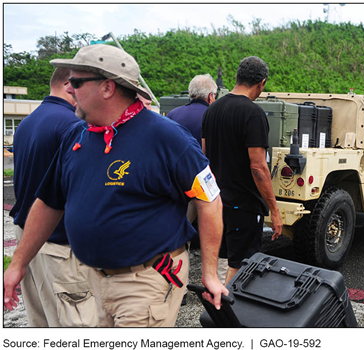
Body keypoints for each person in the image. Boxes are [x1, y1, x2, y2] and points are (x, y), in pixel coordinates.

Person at [3, 44, 228, 327]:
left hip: (146, 283)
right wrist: (18, 264)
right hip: (93, 282)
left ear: (107, 88)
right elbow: (50, 202)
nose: (69, 89)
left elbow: (210, 200)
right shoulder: (78, 136)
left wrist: (209, 273)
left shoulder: (168, 138)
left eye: (75, 82)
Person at [8, 67, 98, 327]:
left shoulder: (27, 122)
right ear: (71, 85)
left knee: (42, 322)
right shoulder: (73, 124)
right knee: (78, 325)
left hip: (26, 236)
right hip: (59, 246)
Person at [202, 56, 283, 284]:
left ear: (237, 77)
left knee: (225, 258)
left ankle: (216, 309)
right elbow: (258, 167)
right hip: (243, 204)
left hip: (217, 202)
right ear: (261, 83)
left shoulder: (212, 109)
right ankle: (226, 316)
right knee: (241, 267)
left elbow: (204, 156)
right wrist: (274, 210)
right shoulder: (253, 113)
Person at [166, 73, 228, 285]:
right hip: (204, 186)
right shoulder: (215, 116)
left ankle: (176, 285)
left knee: (178, 236)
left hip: (175, 186)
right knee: (214, 235)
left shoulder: (173, 114)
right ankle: (216, 284)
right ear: (211, 96)